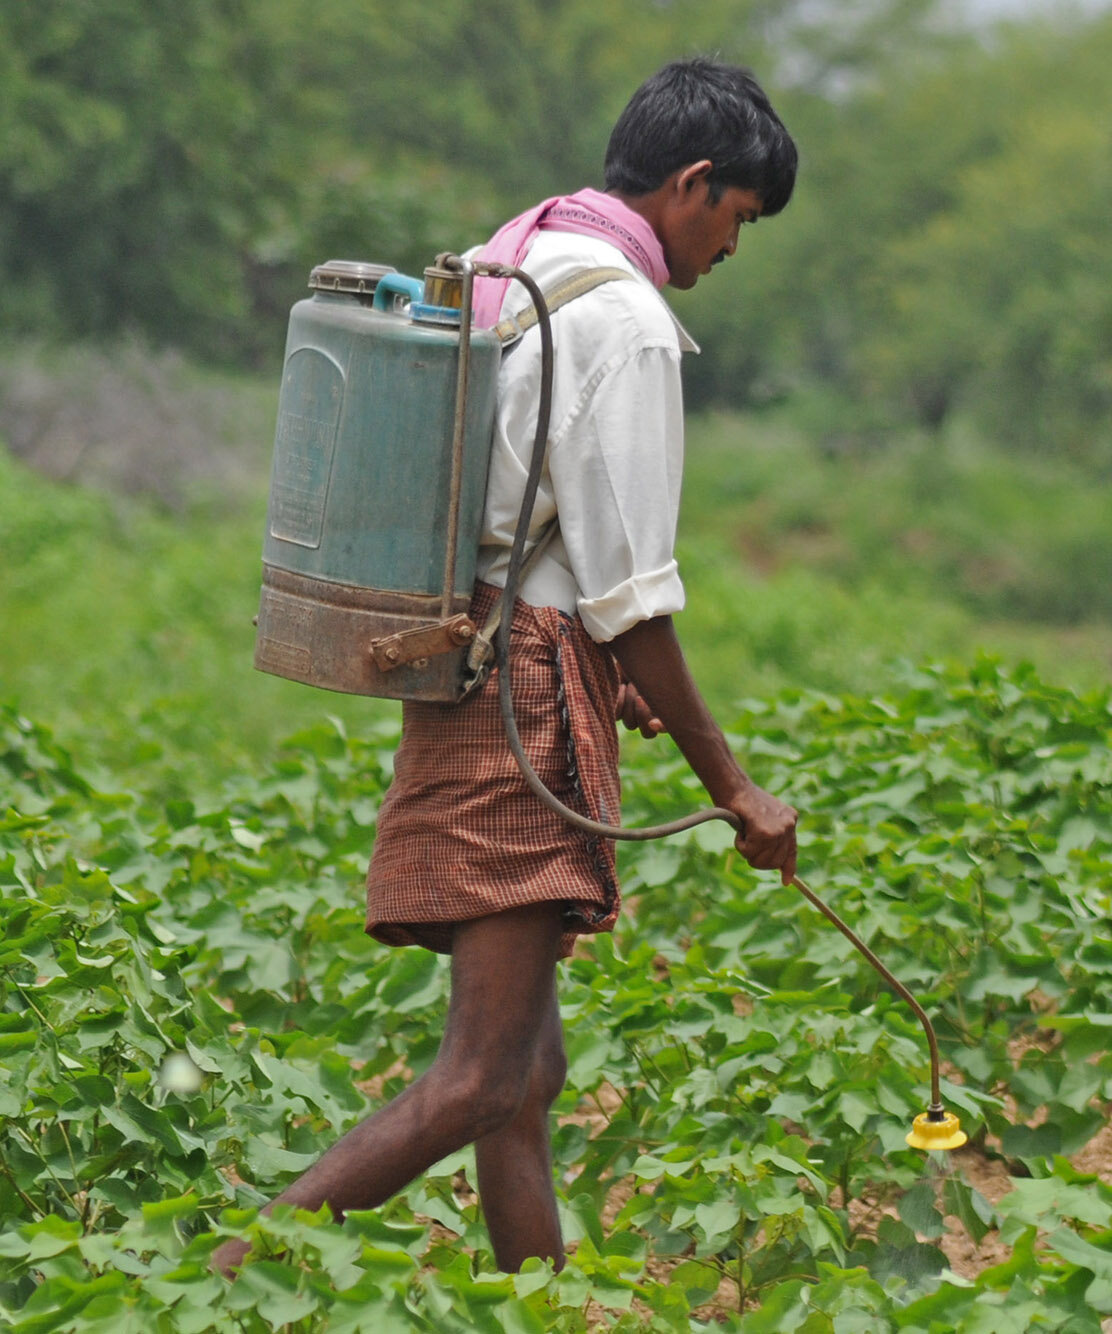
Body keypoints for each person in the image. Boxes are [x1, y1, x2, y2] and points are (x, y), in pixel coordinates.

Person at [213, 57, 801, 1277]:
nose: (732, 248)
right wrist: (736, 787)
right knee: (482, 1076)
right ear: (693, 183)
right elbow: (633, 597)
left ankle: (530, 1304)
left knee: (526, 1073)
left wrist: (611, 662)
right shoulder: (628, 320)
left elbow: (529, 521)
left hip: (484, 652)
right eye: (737, 216)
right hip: (523, 693)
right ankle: (211, 1282)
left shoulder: (527, 259)